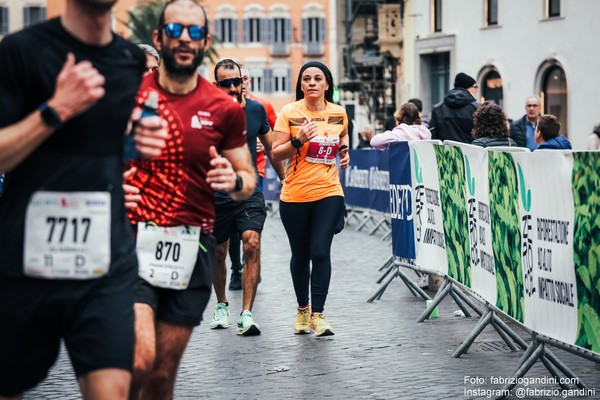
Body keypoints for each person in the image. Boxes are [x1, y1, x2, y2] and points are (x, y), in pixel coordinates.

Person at [0, 0, 168, 398]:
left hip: (103, 263)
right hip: (25, 262)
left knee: (116, 385)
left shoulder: (130, 61)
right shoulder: (20, 51)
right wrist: (56, 109)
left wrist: (138, 144)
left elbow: (106, 147)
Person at [125, 1, 256, 399]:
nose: (185, 39)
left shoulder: (222, 110)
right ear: (158, 38)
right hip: (130, 240)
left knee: (162, 376)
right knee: (137, 360)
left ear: (206, 42)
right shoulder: (127, 95)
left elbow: (247, 179)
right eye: (176, 31)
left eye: (195, 33)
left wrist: (232, 179)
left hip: (189, 244)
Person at [272, 61, 350, 337]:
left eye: (318, 78)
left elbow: (342, 134)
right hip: (294, 195)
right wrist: (297, 141)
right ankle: (302, 309)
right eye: (307, 79)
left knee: (320, 251)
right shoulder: (289, 113)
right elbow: (276, 153)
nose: (312, 83)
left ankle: (318, 314)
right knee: (301, 254)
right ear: (301, 85)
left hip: (329, 192)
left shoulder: (339, 112)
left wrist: (345, 150)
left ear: (327, 84)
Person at [209, 59, 285, 336]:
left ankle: (246, 313)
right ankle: (221, 305)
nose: (231, 87)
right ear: (216, 85)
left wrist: (286, 180)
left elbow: (273, 149)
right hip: (217, 192)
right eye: (225, 83)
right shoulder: (207, 113)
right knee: (219, 252)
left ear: (243, 82)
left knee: (251, 242)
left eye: (236, 82)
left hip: (249, 189)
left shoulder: (255, 110)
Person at [429, 72, 480, 143]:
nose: (476, 90)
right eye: (475, 87)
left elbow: (433, 135)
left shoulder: (438, 108)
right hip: (470, 152)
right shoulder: (477, 108)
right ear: (468, 88)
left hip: (445, 152)